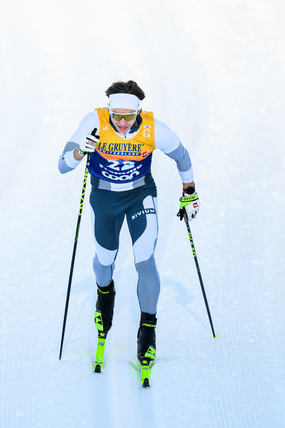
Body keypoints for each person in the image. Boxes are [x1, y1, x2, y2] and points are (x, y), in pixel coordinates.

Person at [57, 80, 200, 369]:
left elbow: (181, 155)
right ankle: (104, 294)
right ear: (109, 110)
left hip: (140, 194)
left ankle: (148, 329)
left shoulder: (153, 128)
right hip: (104, 197)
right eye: (116, 116)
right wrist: (79, 152)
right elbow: (63, 165)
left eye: (129, 117)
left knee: (145, 260)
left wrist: (190, 192)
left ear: (139, 112)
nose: (122, 123)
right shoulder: (94, 121)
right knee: (104, 259)